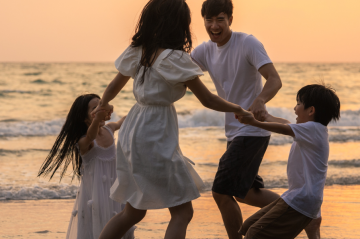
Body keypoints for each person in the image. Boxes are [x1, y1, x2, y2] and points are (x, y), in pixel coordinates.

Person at [92, 0, 253, 238]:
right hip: (156, 132)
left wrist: (104, 105)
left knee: (133, 212)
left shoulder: (139, 50)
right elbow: (208, 100)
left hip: (133, 130)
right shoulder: (174, 58)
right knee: (182, 212)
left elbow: (115, 84)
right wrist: (239, 108)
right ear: (179, 24)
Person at [190, 0, 283, 238]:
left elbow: (274, 79)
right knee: (247, 193)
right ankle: (299, 211)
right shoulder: (204, 51)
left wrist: (261, 100)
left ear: (230, 19)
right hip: (234, 131)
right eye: (209, 20)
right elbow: (178, 71)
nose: (214, 26)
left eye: (220, 19)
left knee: (221, 191)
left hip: (253, 129)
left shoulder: (247, 43)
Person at [236, 84, 340, 239]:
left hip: (300, 200)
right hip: (295, 197)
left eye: (298, 104)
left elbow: (283, 129)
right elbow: (285, 124)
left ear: (311, 111)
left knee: (254, 233)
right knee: (248, 227)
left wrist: (254, 122)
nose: (295, 108)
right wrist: (264, 115)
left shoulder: (313, 129)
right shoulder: (312, 130)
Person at [38, 93, 135, 239]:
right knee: (97, 228)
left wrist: (141, 106)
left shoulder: (109, 129)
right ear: (85, 119)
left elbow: (124, 121)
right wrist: (98, 117)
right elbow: (91, 136)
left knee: (120, 225)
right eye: (95, 108)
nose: (100, 109)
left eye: (101, 105)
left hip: (115, 192)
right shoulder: (84, 141)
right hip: (95, 197)